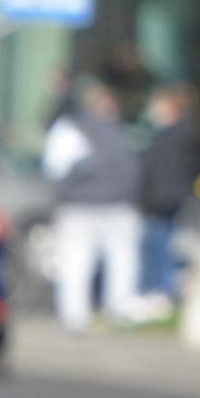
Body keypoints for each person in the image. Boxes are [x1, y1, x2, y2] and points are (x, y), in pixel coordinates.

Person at [43, 83, 142, 333]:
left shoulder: (69, 130)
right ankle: (117, 310)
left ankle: (75, 315)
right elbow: (134, 172)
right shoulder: (123, 133)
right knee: (120, 260)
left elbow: (55, 170)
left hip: (79, 206)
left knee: (77, 262)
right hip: (113, 206)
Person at [136, 83, 200, 307]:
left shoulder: (170, 136)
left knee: (156, 245)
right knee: (162, 243)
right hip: (169, 196)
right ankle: (162, 288)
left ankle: (158, 289)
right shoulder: (182, 134)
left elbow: (157, 170)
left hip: (160, 198)